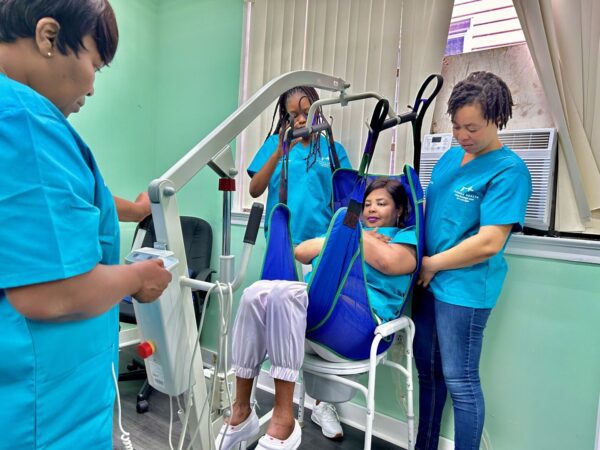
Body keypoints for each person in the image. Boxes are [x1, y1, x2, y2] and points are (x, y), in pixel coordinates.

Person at [0, 1, 172, 448]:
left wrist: (132, 212)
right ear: (49, 37)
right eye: (95, 64)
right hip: (42, 410)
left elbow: (46, 202)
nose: (93, 87)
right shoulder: (25, 119)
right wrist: (137, 277)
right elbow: (51, 293)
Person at [216, 177, 417, 450]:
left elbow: (389, 261)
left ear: (399, 211)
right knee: (257, 292)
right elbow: (302, 251)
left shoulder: (405, 238)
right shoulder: (351, 231)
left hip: (362, 326)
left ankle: (283, 419)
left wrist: (354, 237)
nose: (371, 209)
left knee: (285, 294)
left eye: (381, 203)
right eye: (367, 203)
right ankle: (242, 410)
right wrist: (358, 236)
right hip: (315, 319)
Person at [413, 71, 532, 450]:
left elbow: (489, 242)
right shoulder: (451, 158)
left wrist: (433, 264)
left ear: (497, 120)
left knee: (461, 382)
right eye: (456, 126)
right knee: (428, 373)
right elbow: (435, 207)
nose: (462, 135)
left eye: (472, 128)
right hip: (427, 281)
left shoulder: (509, 170)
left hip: (464, 290)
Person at [247, 85, 352, 438]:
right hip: (283, 246)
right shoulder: (277, 146)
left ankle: (324, 406)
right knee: (282, 329)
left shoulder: (332, 149)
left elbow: (348, 196)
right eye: (293, 113)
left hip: (320, 250)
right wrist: (279, 151)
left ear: (319, 110)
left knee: (318, 328)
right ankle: (283, 408)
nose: (301, 118)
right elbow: (254, 189)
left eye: (307, 110)